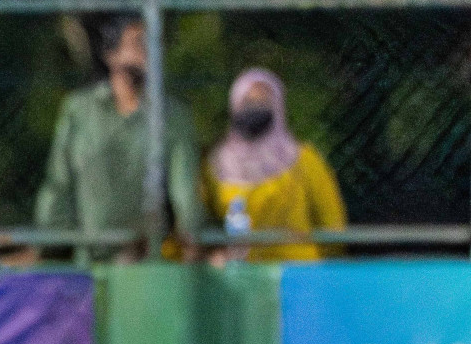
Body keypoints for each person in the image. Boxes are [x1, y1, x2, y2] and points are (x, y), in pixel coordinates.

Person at [33, 15, 204, 262]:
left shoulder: (173, 116)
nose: (149, 51)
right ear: (110, 54)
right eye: (138, 43)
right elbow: (59, 184)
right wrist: (47, 247)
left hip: (148, 261)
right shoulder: (80, 110)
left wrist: (191, 243)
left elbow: (185, 192)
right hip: (88, 260)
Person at [206, 68, 346, 262]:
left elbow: (333, 225)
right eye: (248, 102)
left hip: (297, 272)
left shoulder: (304, 160)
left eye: (263, 102)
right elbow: (197, 225)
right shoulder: (216, 164)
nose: (255, 109)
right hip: (238, 274)